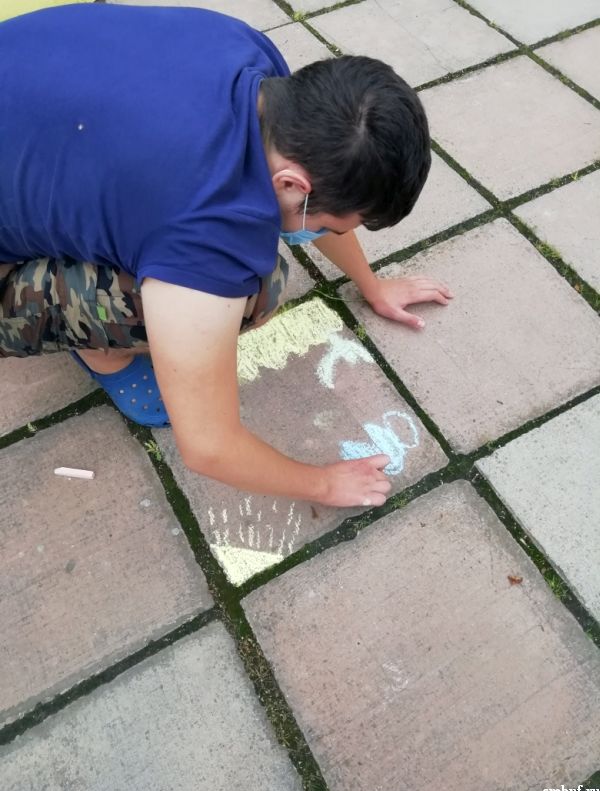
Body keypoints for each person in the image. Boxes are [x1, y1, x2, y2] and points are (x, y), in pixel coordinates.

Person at [0, 3, 453, 508]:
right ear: (293, 184)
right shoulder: (205, 231)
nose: (326, 233)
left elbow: (317, 195)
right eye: (331, 224)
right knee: (253, 293)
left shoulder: (251, 59)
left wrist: (371, 284)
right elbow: (209, 446)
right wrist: (325, 484)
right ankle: (103, 354)